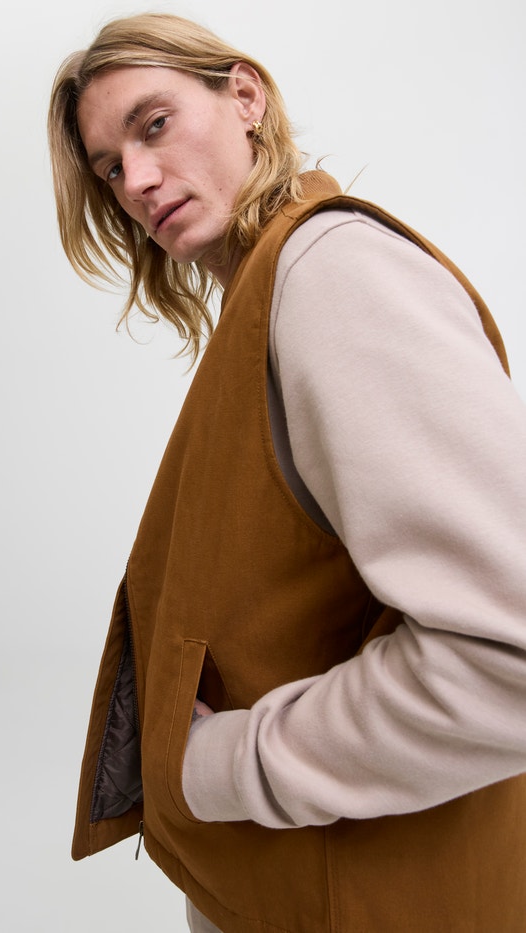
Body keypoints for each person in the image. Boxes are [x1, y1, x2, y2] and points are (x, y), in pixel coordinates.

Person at [47, 13, 526, 933]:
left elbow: (507, 655)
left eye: (154, 125)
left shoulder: (333, 278)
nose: (136, 181)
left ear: (245, 97)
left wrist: (218, 764)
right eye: (109, 167)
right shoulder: (273, 293)